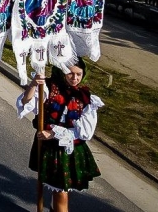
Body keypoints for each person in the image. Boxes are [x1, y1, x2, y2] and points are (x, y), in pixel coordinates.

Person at [18, 58, 103, 212]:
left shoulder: (85, 98)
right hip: (48, 147)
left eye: (78, 74)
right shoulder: (49, 88)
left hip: (68, 150)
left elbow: (85, 133)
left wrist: (54, 133)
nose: (75, 78)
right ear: (62, 72)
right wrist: (34, 84)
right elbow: (26, 102)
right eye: (70, 73)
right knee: (58, 190)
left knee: (61, 192)